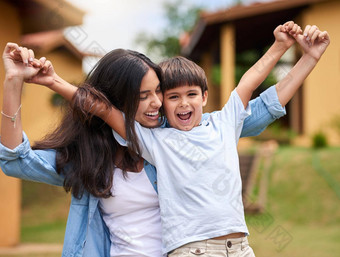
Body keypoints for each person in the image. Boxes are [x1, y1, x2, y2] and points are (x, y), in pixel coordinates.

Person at [26, 22, 329, 256]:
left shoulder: (224, 123)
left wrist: (298, 53)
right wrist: (54, 81)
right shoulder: (154, 141)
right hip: (190, 249)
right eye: (172, 97)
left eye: (191, 95)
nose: (183, 103)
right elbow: (103, 109)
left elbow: (252, 83)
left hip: (238, 246)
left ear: (205, 97)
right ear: (163, 105)